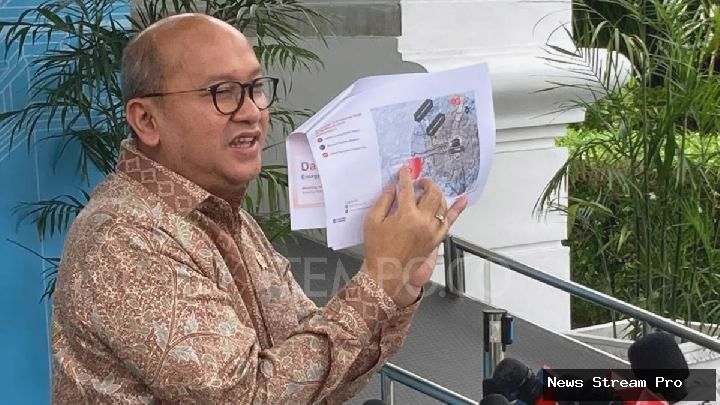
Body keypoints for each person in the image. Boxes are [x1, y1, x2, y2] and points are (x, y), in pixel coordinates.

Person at [51, 13, 468, 404]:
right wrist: (377, 279)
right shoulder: (122, 237)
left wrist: (399, 281)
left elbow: (314, 381)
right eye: (222, 93)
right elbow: (247, 396)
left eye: (255, 88)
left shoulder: (225, 216)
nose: (251, 111)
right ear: (146, 120)